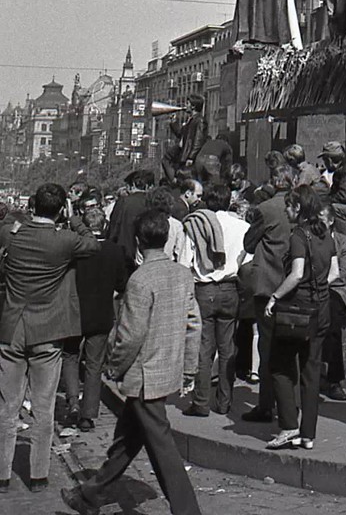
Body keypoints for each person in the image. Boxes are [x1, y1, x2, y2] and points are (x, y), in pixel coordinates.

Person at [61, 209, 202, 515]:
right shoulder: (182, 275)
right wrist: (190, 367)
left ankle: (188, 509)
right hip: (166, 371)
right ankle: (90, 495)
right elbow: (194, 324)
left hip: (143, 376)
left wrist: (113, 367)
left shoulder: (140, 280)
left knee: (163, 451)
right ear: (166, 238)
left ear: (138, 242)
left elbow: (130, 335)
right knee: (126, 440)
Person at [0, 183, 100, 491]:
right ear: (61, 210)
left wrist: (22, 219)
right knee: (43, 407)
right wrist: (75, 218)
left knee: (7, 406)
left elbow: (6, 221)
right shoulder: (65, 241)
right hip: (48, 330)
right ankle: (39, 474)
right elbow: (92, 243)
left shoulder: (12, 236)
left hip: (12, 327)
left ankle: (2, 474)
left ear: (32, 205)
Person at [264, 186, 339, 450]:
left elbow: (296, 274)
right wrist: (317, 285)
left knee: (280, 365)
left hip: (297, 309)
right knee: (312, 370)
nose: (286, 210)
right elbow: (334, 273)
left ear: (298, 208)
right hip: (322, 309)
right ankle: (308, 434)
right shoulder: (326, 233)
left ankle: (288, 426)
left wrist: (275, 297)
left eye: (289, 206)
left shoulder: (298, 235)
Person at [182, 182, 248, 418]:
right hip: (230, 288)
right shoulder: (242, 226)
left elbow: (185, 261)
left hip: (204, 288)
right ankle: (224, 402)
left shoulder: (195, 224)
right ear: (229, 201)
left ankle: (200, 401)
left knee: (203, 347)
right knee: (227, 347)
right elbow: (246, 260)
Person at [60, 205, 128, 433]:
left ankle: (72, 402)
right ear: (104, 225)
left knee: (69, 355)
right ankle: (88, 413)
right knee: (94, 364)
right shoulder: (115, 251)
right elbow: (121, 284)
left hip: (74, 310)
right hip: (101, 312)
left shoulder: (74, 250)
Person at [240, 155, 293, 422]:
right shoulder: (303, 206)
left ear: (274, 182)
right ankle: (290, 403)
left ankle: (266, 404)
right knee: (294, 347)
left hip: (270, 284)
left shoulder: (267, 208)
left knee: (268, 347)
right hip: (296, 285)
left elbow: (249, 243)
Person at [319, 202, 346, 402]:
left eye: (322, 219)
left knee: (332, 322)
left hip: (335, 291)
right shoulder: (310, 239)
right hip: (313, 290)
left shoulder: (342, 241)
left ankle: (334, 380)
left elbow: (344, 271)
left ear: (331, 221)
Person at [107, 169, 156, 272]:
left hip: (124, 255)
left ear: (132, 185)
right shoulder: (153, 203)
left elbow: (113, 229)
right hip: (149, 256)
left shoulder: (123, 202)